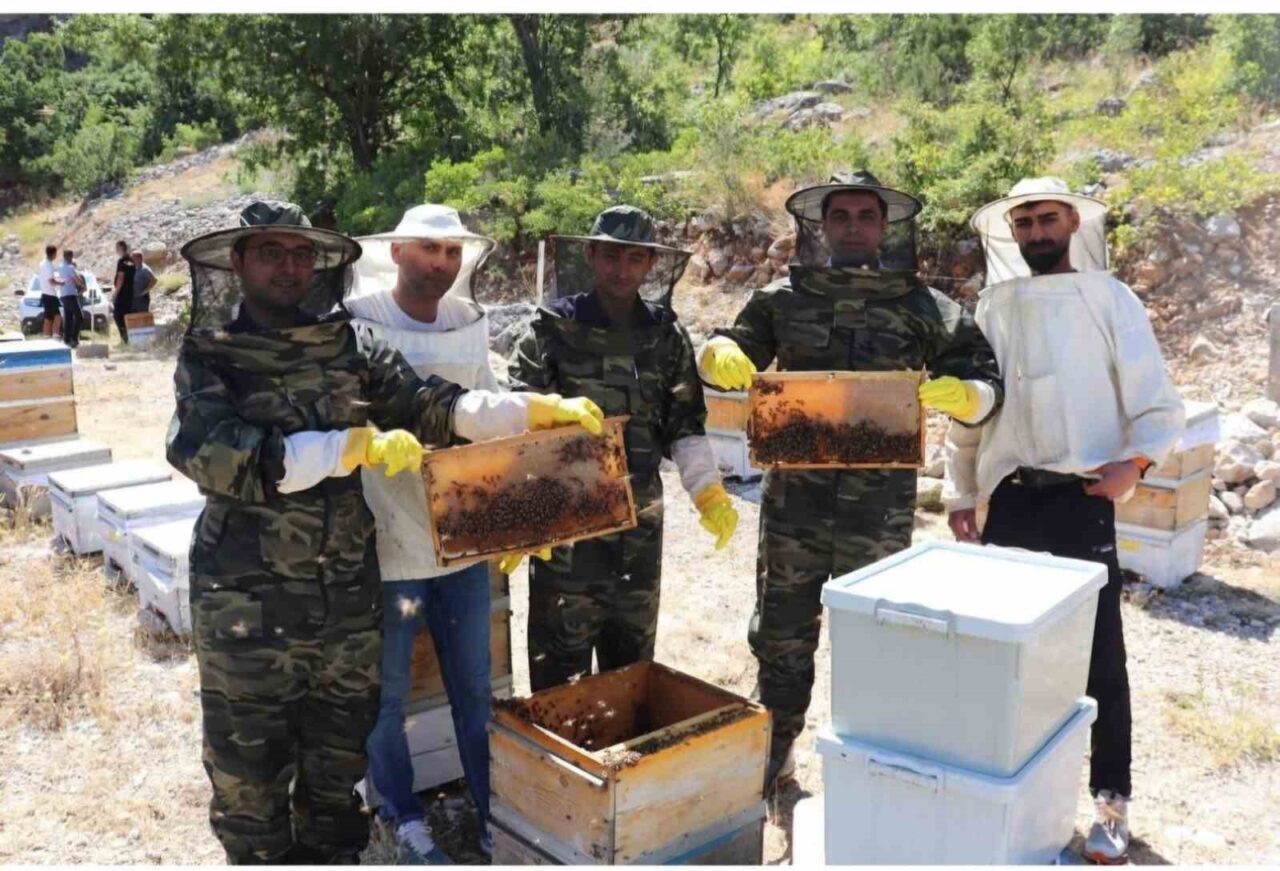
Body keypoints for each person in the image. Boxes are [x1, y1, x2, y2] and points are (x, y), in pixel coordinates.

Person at [165, 200, 602, 864]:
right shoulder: (211, 354)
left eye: (300, 253)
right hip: (247, 610)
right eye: (271, 253)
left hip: (346, 600)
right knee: (250, 787)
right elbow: (212, 452)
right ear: (238, 261)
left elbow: (432, 402)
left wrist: (524, 410)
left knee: (336, 780)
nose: (289, 267)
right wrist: (346, 448)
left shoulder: (351, 343)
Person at [698, 170, 1004, 790]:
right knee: (781, 636)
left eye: (867, 215)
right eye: (842, 216)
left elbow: (987, 383)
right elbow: (732, 347)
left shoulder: (926, 307)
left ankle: (866, 769)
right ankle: (775, 753)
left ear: (885, 226)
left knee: (879, 638)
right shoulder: (783, 298)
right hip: (794, 509)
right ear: (823, 226)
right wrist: (717, 353)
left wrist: (965, 393)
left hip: (880, 515)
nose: (855, 226)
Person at [945, 177, 1184, 865]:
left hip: (1083, 499)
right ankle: (1009, 797)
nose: (1036, 232)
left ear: (1072, 221)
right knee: (1004, 652)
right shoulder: (991, 305)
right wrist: (963, 492)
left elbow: (1157, 403)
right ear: (1011, 233)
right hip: (1013, 497)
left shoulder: (1109, 298)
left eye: (1048, 219)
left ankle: (1111, 803)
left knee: (1099, 656)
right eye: (1024, 223)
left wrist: (1134, 466)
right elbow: (973, 409)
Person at [508, 205, 740, 692]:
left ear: (650, 264)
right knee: (558, 685)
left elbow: (685, 426)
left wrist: (708, 493)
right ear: (591, 255)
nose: (621, 269)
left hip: (639, 533)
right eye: (611, 255)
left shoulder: (666, 335)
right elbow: (514, 423)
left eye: (634, 258)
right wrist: (520, 518)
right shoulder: (551, 329)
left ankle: (621, 769)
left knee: (631, 677)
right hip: (564, 534)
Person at [345, 204, 504, 863]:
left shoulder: (467, 322)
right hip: (389, 545)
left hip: (462, 543)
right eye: (429, 250)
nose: (442, 263)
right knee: (386, 697)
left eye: (451, 253)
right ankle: (403, 813)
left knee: (476, 690)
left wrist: (519, 508)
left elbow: (492, 408)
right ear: (400, 251)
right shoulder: (360, 323)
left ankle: (495, 807)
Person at [56, 249, 84, 348]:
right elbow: (76, 279)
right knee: (80, 317)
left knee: (68, 318)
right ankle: (74, 338)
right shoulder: (70, 267)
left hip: (63, 295)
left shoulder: (60, 266)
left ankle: (67, 339)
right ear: (70, 257)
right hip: (70, 294)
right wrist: (82, 285)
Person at [37, 245, 63, 339]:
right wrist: (61, 283)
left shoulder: (42, 263)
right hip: (50, 294)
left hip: (45, 293)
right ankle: (55, 336)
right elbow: (51, 281)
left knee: (48, 317)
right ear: (53, 254)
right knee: (57, 316)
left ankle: (46, 337)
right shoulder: (48, 265)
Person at [113, 240, 136, 343]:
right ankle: (130, 338)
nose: (116, 250)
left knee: (118, 315)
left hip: (123, 293)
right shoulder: (132, 260)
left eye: (117, 248)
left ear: (121, 248)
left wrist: (115, 293)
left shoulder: (122, 261)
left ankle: (125, 339)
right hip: (132, 292)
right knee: (128, 315)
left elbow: (120, 278)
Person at [131, 249, 156, 315]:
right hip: (133, 298)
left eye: (133, 258)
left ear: (139, 258)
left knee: (142, 316)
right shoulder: (134, 268)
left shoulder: (145, 269)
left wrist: (145, 291)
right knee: (134, 317)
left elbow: (154, 280)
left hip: (141, 299)